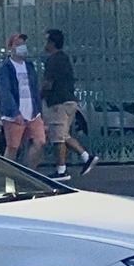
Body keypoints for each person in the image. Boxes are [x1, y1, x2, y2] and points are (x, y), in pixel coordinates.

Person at [38, 29, 94, 179]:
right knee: (63, 134)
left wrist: (40, 96)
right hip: (68, 101)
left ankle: (62, 171)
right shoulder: (64, 58)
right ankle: (85, 157)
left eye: (47, 41)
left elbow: (48, 84)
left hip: (58, 103)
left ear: (52, 43)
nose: (45, 44)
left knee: (58, 138)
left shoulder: (53, 60)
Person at [0, 34, 42, 163]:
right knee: (13, 147)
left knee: (39, 141)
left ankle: (29, 173)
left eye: (23, 44)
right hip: (13, 114)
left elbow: (35, 89)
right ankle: (7, 175)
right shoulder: (5, 68)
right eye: (18, 44)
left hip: (32, 113)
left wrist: (38, 110)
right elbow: (5, 91)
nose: (22, 47)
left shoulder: (29, 66)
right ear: (11, 48)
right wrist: (15, 112)